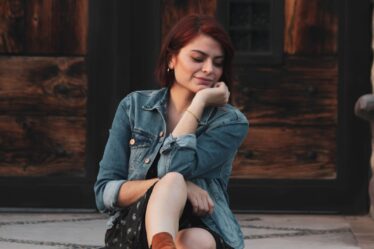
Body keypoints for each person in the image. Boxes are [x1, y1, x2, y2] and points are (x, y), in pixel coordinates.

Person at [94, 14, 249, 249]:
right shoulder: (133, 107)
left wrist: (199, 103)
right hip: (135, 229)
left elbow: (173, 164)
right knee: (174, 181)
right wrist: (175, 186)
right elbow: (104, 193)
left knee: (192, 240)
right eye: (198, 58)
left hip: (204, 225)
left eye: (218, 63)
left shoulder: (230, 122)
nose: (209, 69)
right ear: (171, 58)